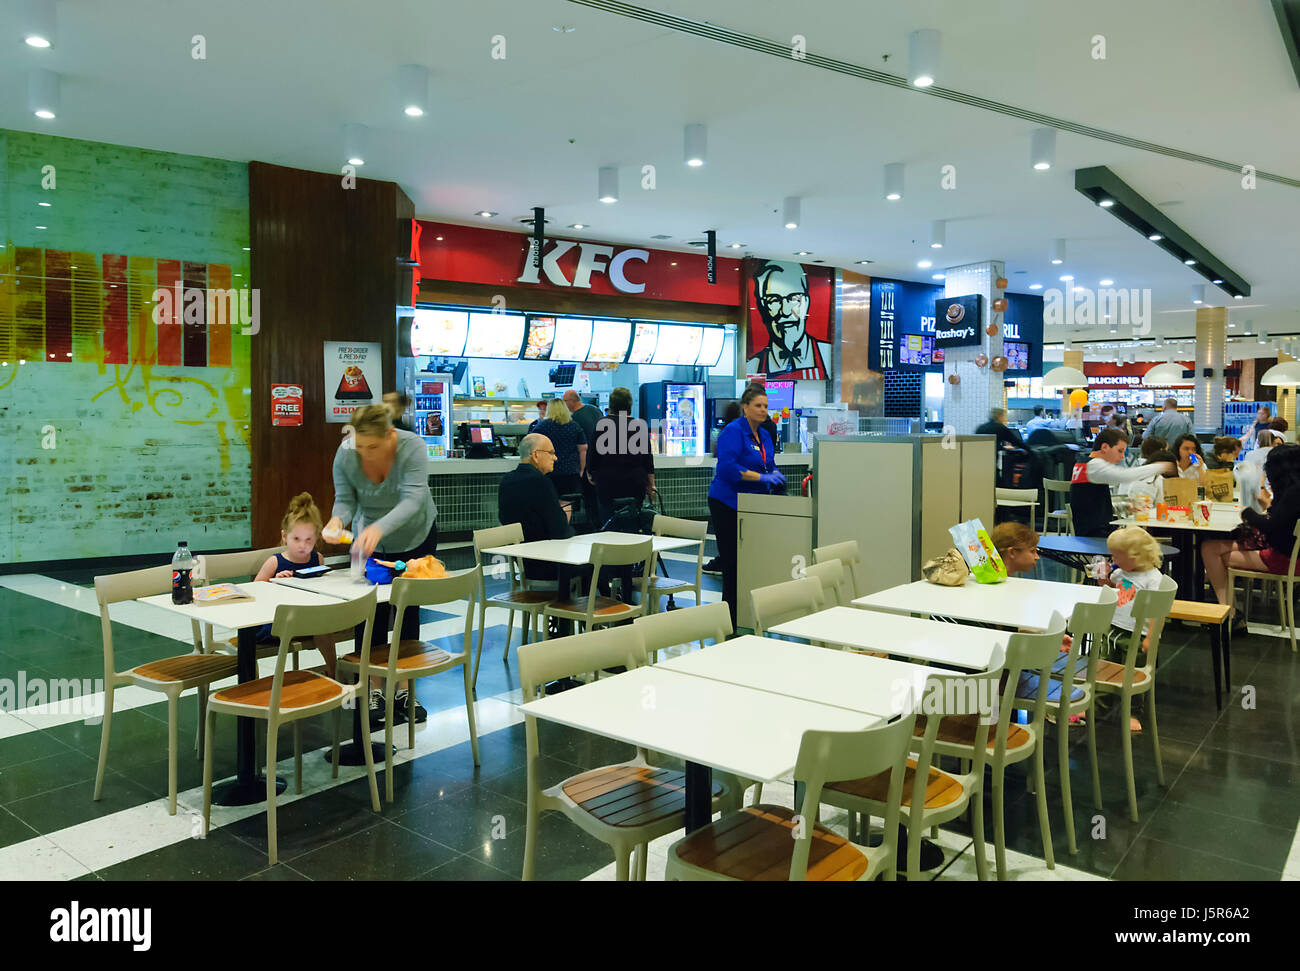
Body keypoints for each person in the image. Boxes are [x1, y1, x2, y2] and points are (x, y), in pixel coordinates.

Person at [325, 404, 437, 725]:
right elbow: (346, 499)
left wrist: (378, 528)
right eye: (360, 446)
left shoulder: (412, 446)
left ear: (390, 435)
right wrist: (337, 520)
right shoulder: (347, 453)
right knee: (370, 610)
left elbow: (414, 499)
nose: (366, 454)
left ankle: (404, 688)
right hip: (370, 540)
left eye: (373, 447)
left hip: (416, 534)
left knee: (407, 608)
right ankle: (373, 688)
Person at [708, 384, 784, 626]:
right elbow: (728, 469)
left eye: (765, 406)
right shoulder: (733, 432)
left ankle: (748, 612)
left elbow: (767, 463)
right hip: (727, 503)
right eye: (758, 406)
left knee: (751, 561)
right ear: (745, 407)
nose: (763, 410)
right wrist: (762, 478)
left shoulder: (763, 435)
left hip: (753, 504)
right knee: (732, 563)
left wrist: (774, 473)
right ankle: (728, 619)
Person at [1203, 444, 1300, 612]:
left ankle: (1228, 612)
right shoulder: (1293, 490)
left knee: (1215, 555)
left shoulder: (1294, 493)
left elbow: (1271, 525)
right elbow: (1281, 518)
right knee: (1209, 548)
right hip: (1288, 552)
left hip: (1285, 558)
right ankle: (1229, 610)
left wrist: (1247, 512)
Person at [252, 492, 339, 677]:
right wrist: (275, 584)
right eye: (296, 539)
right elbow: (254, 592)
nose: (303, 546)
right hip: (276, 623)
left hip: (308, 619)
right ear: (284, 536)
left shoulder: (318, 559)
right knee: (319, 625)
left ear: (316, 537)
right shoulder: (274, 562)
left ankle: (333, 670)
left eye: (309, 540)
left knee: (323, 625)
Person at [1094, 526, 1167, 731]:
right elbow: (1117, 594)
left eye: (1116, 555)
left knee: (1133, 674)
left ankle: (1133, 712)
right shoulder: (1121, 573)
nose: (1113, 560)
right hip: (1113, 629)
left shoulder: (1152, 579)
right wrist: (1104, 581)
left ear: (1135, 557)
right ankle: (1098, 706)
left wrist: (1152, 637)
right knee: (1103, 669)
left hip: (1136, 633)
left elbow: (1157, 610)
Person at [1069, 428, 1174, 537]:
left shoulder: (1083, 464)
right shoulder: (1094, 465)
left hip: (1090, 532)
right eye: (1120, 451)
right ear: (1104, 447)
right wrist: (1161, 466)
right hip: (1096, 537)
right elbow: (1126, 476)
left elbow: (1092, 504)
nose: (1122, 456)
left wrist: (1124, 506)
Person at [745, 260, 830, 379]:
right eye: (774, 300)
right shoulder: (752, 367)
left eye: (794, 298)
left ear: (806, 303)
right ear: (763, 308)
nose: (785, 311)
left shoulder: (829, 356)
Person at [586, 386, 654, 528]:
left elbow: (593, 454)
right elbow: (648, 460)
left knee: (609, 522)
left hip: (607, 482)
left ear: (611, 405)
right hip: (635, 482)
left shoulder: (602, 425)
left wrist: (591, 473)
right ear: (630, 405)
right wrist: (651, 485)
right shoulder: (639, 426)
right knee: (633, 521)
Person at [532, 397, 587, 500]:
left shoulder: (542, 427)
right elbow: (583, 449)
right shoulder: (574, 426)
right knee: (567, 501)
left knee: (550, 501)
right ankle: (566, 516)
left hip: (548, 471)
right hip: (570, 471)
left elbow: (531, 446)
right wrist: (582, 469)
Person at [564, 389, 604, 522]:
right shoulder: (595, 410)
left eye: (565, 401)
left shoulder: (575, 418)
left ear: (572, 401)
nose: (564, 405)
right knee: (599, 499)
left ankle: (593, 528)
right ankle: (601, 527)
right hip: (602, 460)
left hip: (586, 463)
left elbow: (579, 445)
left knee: (590, 500)